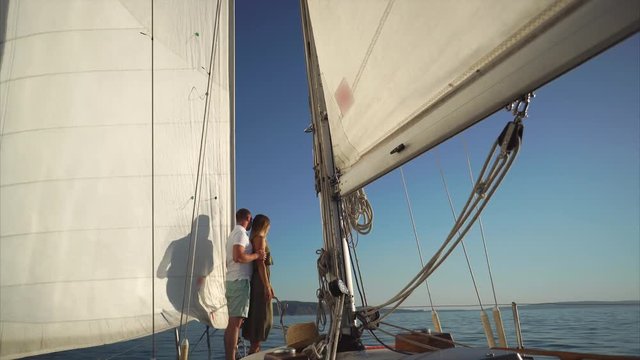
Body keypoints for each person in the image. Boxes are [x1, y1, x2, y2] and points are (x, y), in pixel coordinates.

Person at [224, 208, 265, 360]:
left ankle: (230, 356)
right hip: (239, 282)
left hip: (233, 281)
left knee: (232, 324)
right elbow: (238, 257)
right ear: (248, 217)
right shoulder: (241, 233)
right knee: (235, 324)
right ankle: (231, 358)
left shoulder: (233, 234)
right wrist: (257, 255)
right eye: (251, 219)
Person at [242, 214, 274, 354]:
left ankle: (254, 352)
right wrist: (267, 286)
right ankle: (253, 353)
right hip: (260, 283)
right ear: (264, 225)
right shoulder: (260, 239)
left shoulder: (253, 239)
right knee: (262, 319)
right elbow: (261, 264)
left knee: (259, 321)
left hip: (258, 281)